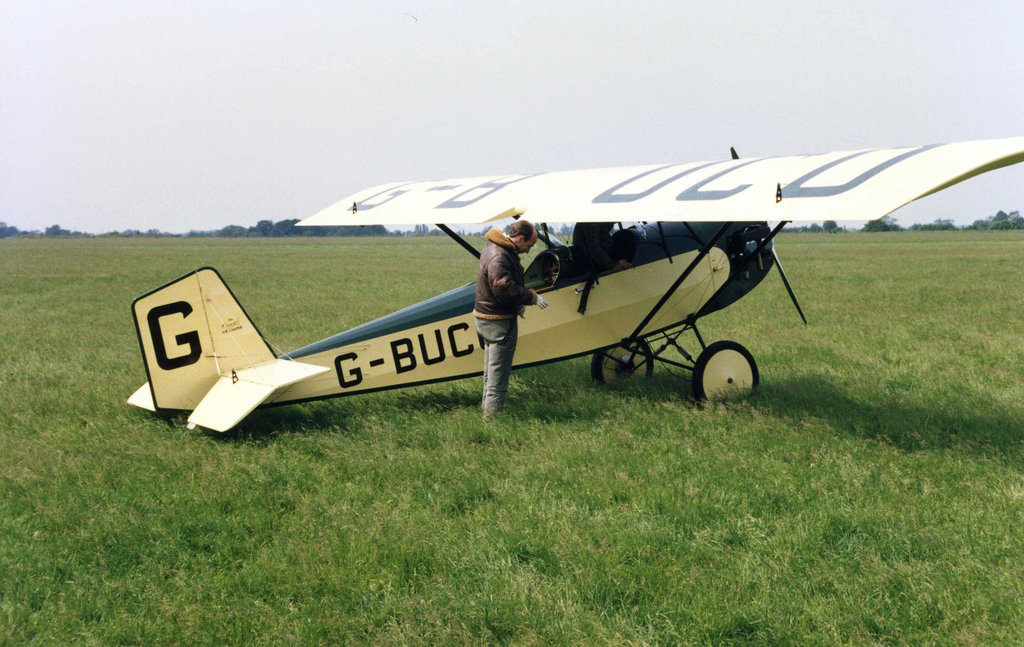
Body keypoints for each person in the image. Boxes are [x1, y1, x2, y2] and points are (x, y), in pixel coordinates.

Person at [473, 219, 548, 416]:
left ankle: (487, 414)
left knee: (490, 376)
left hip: (486, 320)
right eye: (529, 245)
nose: (528, 250)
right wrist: (530, 297)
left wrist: (517, 305)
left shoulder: (492, 247)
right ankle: (492, 423)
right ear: (521, 238)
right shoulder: (500, 256)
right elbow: (504, 288)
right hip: (498, 324)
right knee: (497, 380)